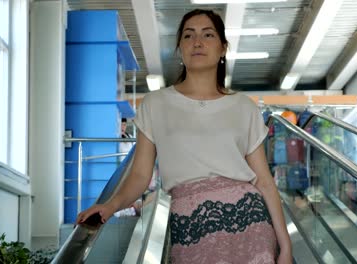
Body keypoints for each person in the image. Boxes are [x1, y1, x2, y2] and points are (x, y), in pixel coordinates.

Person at [77, 9, 292, 263]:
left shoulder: (244, 107)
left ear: (223, 48)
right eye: (188, 36)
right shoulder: (155, 104)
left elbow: (264, 182)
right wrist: (111, 206)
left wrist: (285, 246)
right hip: (189, 225)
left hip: (250, 221)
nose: (197, 42)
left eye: (208, 35)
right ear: (180, 48)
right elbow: (139, 175)